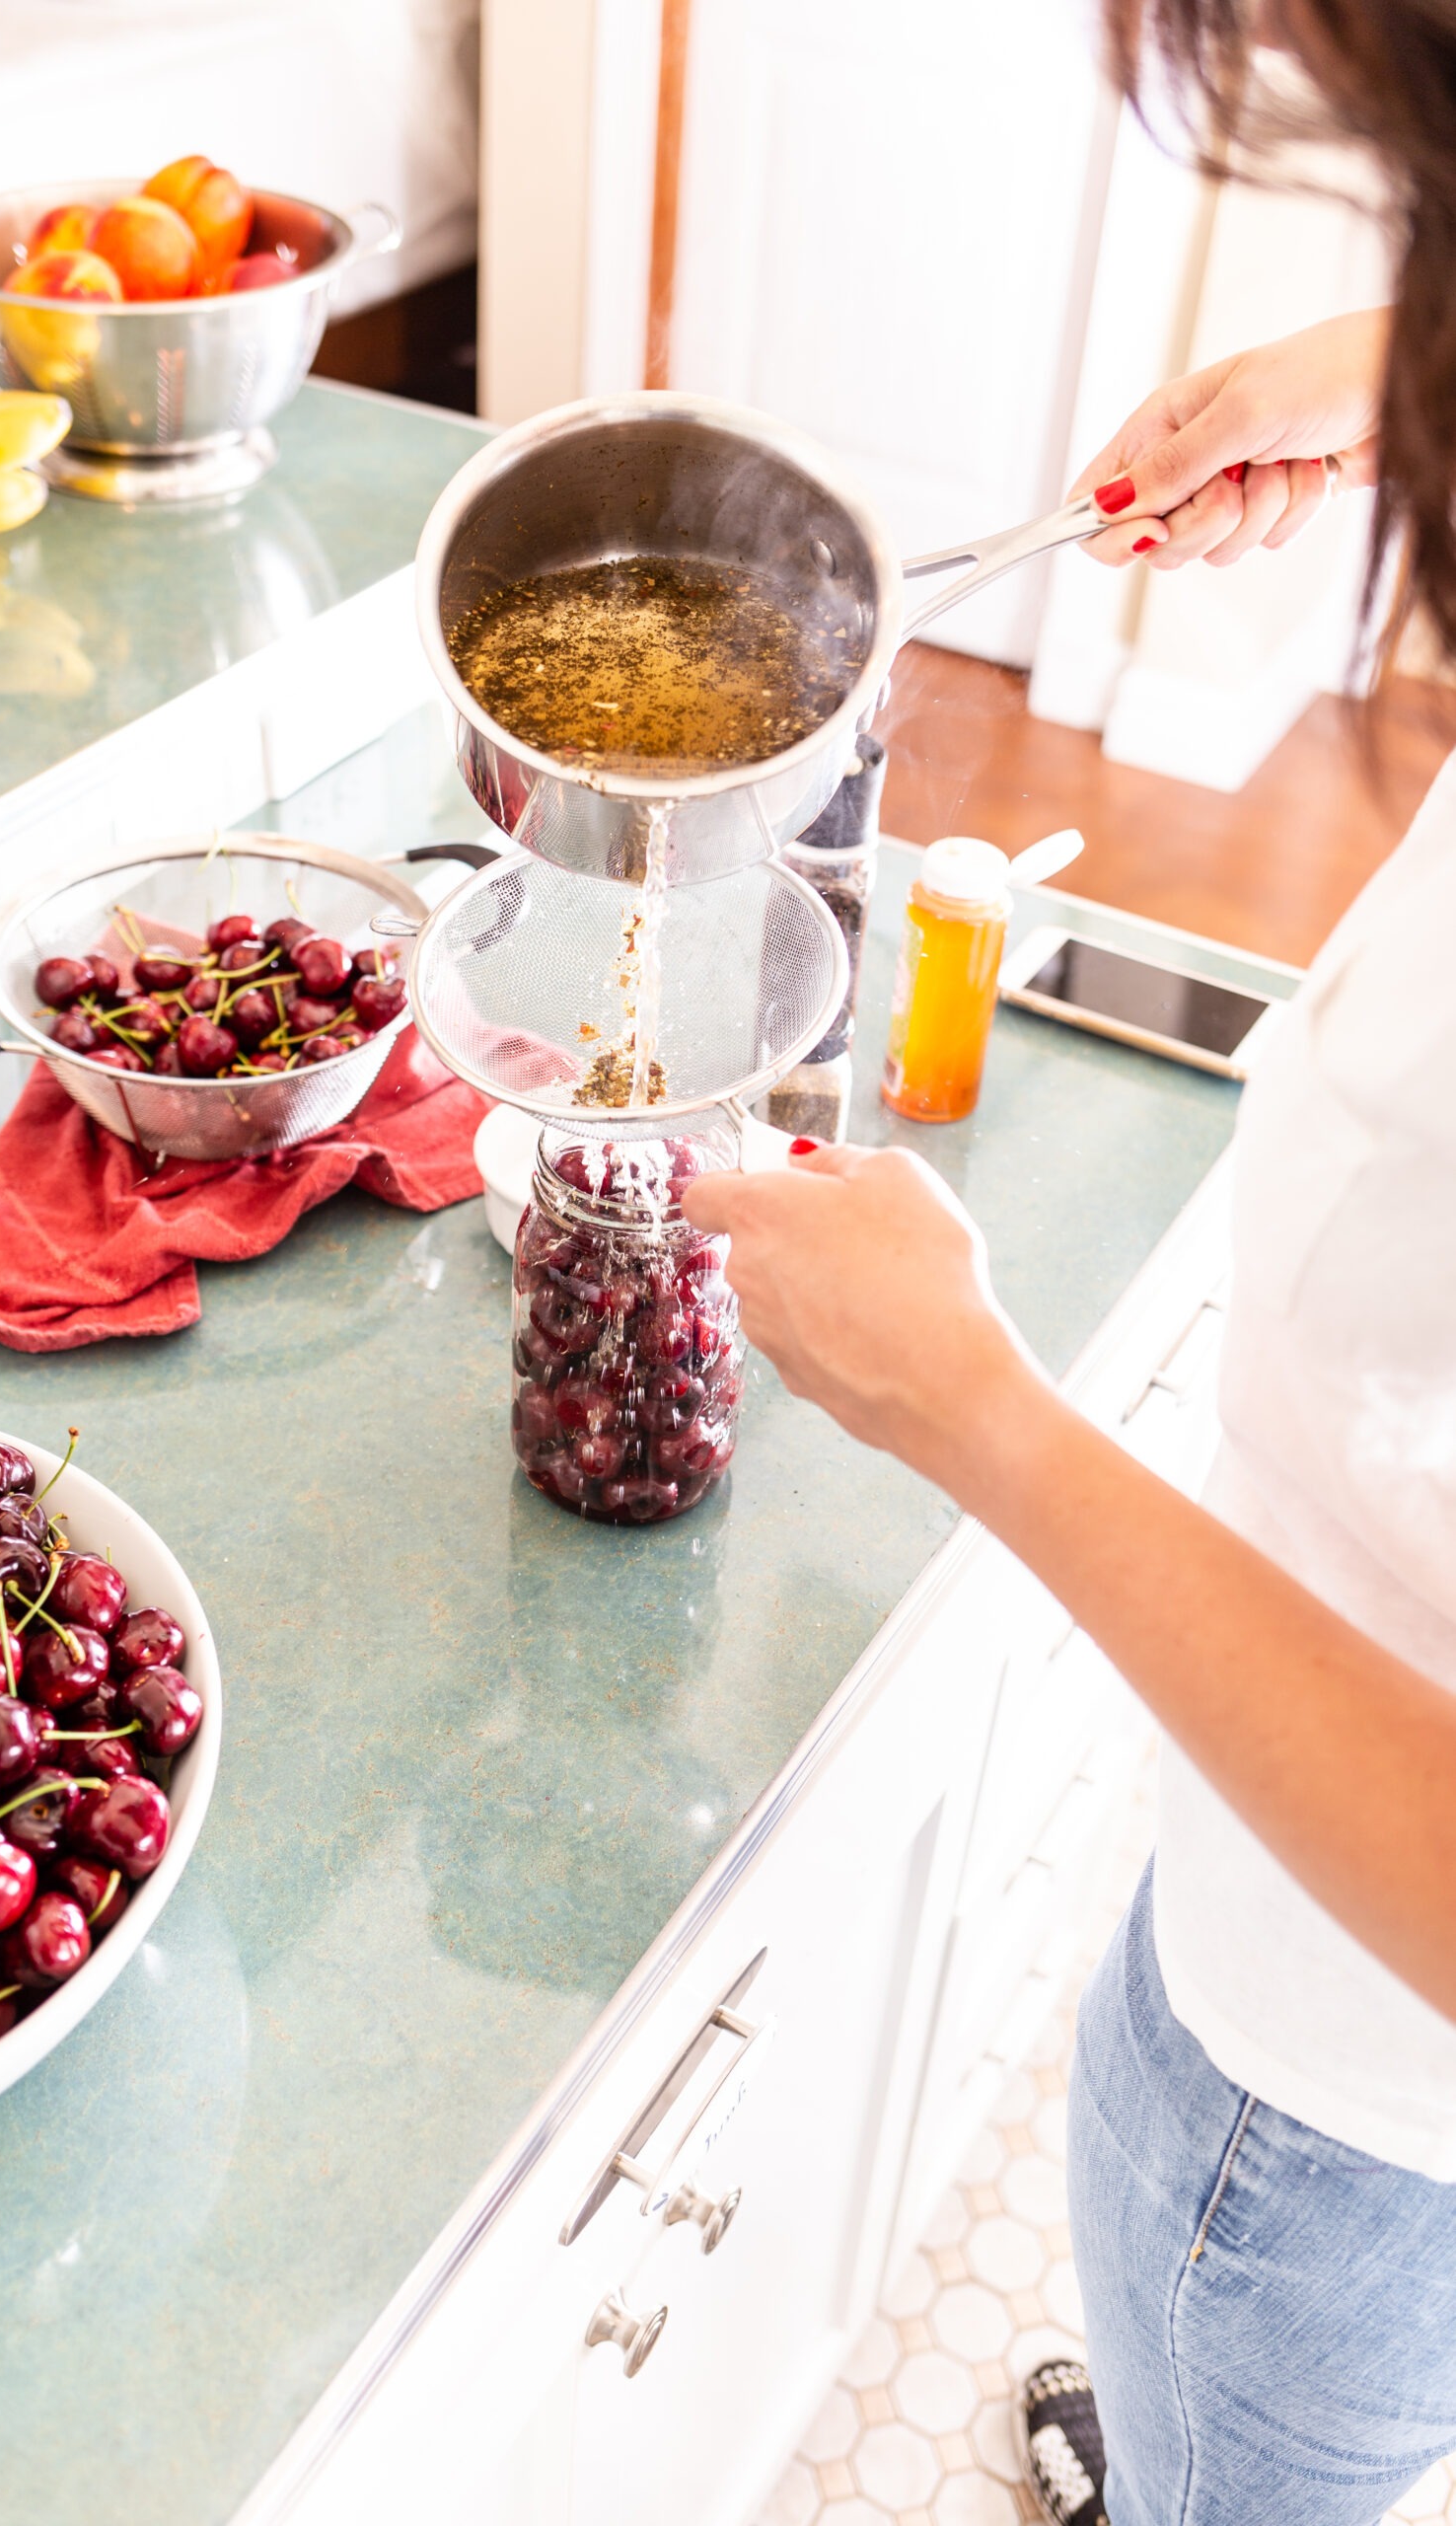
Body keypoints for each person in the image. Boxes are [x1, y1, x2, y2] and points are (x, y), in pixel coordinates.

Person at [685, 9, 1456, 2522]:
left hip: (1347, 2108)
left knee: (1240, 2409)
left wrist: (981, 1418)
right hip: (1289, 1902)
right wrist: (1372, 369)